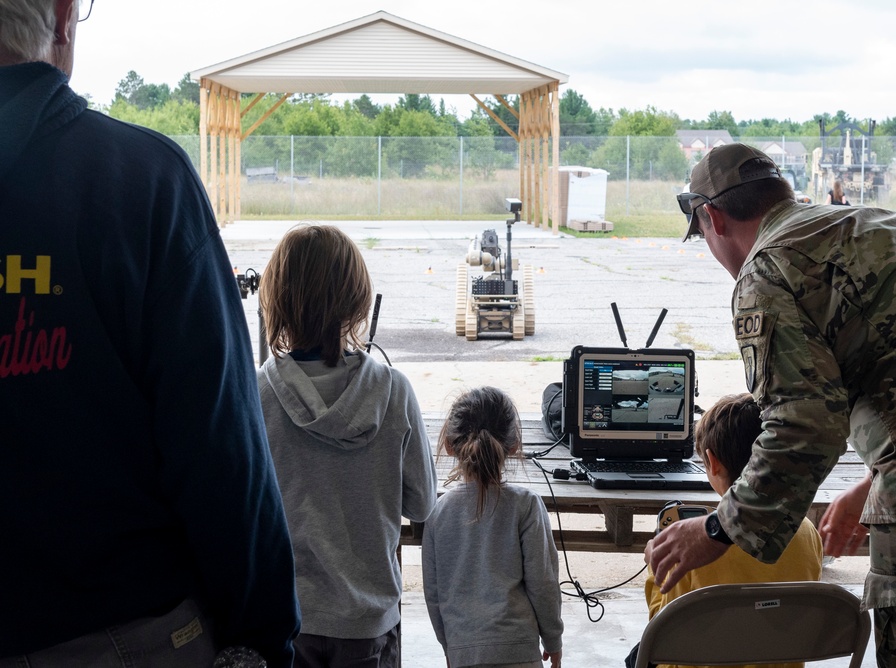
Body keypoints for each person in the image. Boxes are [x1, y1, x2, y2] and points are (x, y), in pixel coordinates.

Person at [0, 0, 300, 665]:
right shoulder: (141, 183)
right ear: (60, 18)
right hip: (118, 631)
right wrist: (263, 633)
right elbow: (221, 451)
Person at [654, 143, 896, 667]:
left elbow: (803, 424)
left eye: (702, 234)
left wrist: (718, 528)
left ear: (713, 218)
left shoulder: (768, 270)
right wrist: (875, 481)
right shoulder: (889, 226)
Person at [257, 224, 438, 668]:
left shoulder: (256, 394)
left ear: (275, 299)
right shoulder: (394, 391)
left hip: (289, 619)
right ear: (357, 300)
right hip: (369, 624)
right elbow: (422, 505)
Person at [626, 393, 822, 668]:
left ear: (712, 461)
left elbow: (662, 636)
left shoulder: (692, 549)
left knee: (637, 656)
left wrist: (654, 569)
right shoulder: (806, 531)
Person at [422, 387, 563, 668]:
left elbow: (434, 593)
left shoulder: (438, 513)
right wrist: (553, 640)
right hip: (519, 651)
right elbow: (543, 585)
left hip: (464, 651)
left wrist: (449, 645)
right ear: (514, 445)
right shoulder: (527, 506)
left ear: (450, 445)